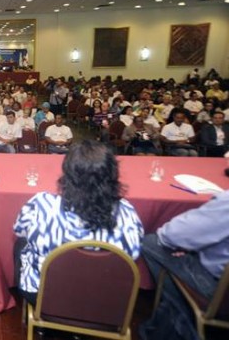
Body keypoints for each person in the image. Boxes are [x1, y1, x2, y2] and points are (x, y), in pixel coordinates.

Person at [13, 140, 144, 305]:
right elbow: (135, 252)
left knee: (20, 244)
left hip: (45, 294)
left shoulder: (42, 204)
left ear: (67, 174)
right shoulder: (127, 213)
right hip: (105, 300)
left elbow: (19, 230)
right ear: (113, 175)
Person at [140, 190, 229, 340]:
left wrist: (183, 245)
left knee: (150, 242)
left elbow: (171, 236)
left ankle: (178, 326)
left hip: (219, 292)